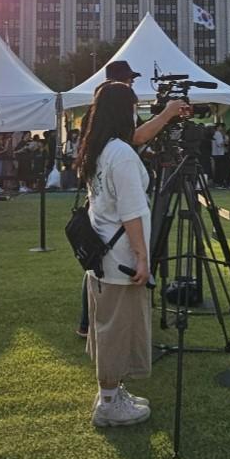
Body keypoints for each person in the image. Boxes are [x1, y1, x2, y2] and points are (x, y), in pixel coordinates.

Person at [77, 81, 153, 428]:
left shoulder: (99, 148)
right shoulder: (120, 154)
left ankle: (112, 392)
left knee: (109, 326)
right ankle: (108, 402)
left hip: (102, 256)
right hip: (119, 257)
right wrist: (142, 256)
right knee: (115, 329)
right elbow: (131, 211)